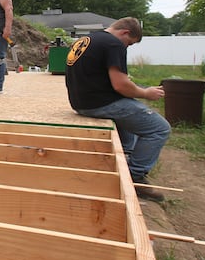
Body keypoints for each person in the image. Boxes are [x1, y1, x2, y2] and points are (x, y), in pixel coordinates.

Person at [65, 17, 171, 202]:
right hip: (100, 104)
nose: (127, 47)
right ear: (125, 33)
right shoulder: (114, 44)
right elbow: (120, 85)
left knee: (133, 113)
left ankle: (124, 157)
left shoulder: (86, 40)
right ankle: (135, 176)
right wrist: (146, 93)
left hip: (80, 102)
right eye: (129, 43)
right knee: (159, 128)